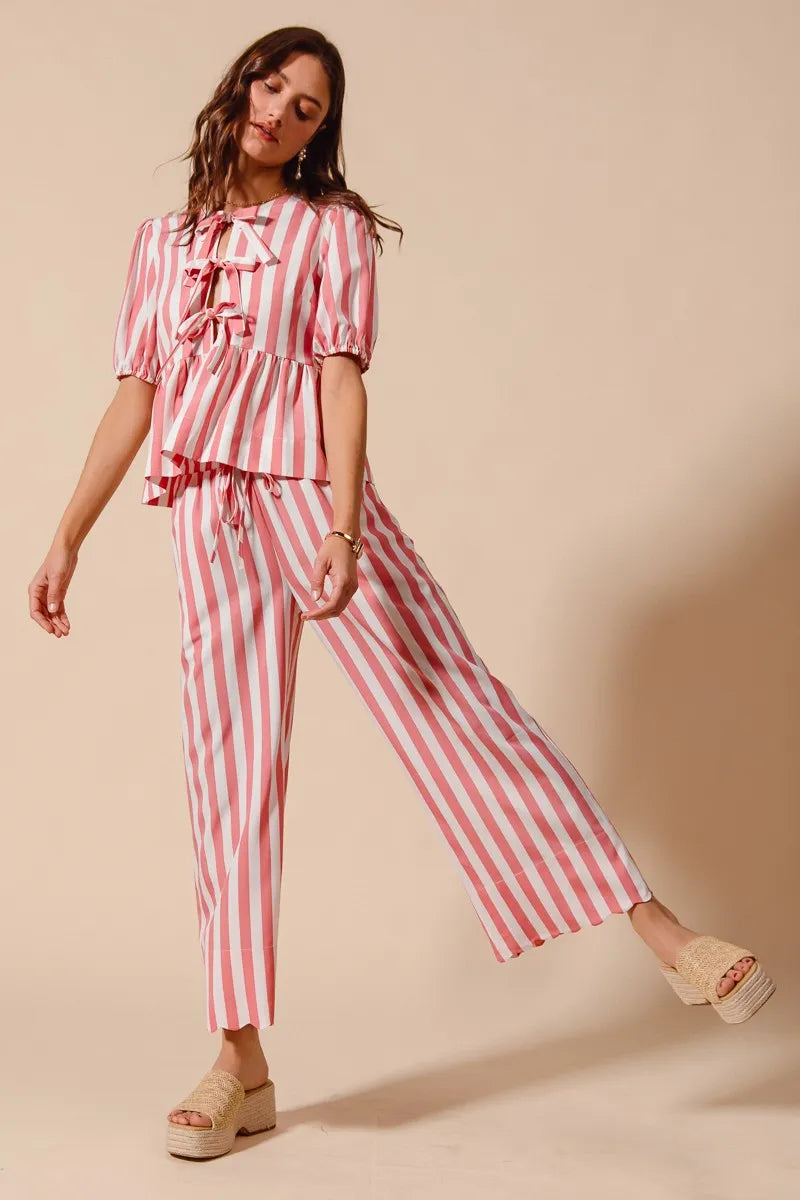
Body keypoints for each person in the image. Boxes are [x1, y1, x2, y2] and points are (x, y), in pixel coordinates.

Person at [28, 26, 774, 1161]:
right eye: (272, 85)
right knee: (225, 768)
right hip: (206, 515)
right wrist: (65, 537)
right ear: (238, 88)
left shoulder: (328, 232)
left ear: (321, 134)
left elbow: (336, 378)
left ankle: (666, 938)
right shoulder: (156, 243)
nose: (282, 111)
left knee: (452, 707)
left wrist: (340, 525)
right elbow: (135, 393)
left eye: (310, 107)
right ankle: (239, 1060)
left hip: (308, 503)